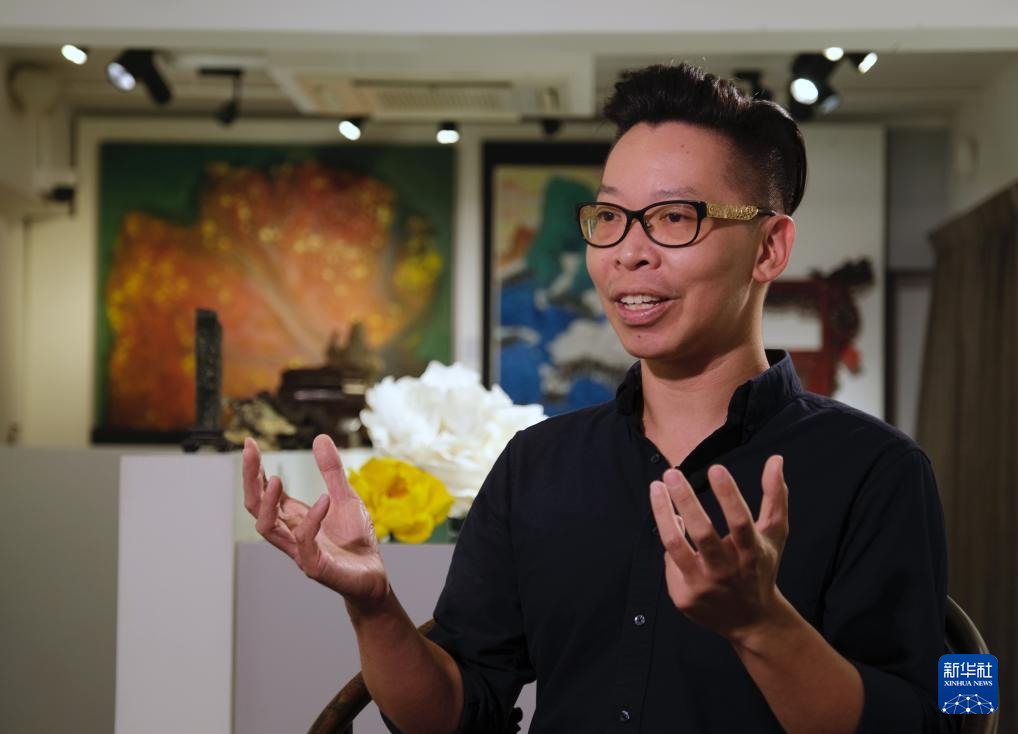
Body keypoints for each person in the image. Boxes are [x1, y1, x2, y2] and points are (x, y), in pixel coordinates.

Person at [244, 63, 952, 733]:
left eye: (674, 217)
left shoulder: (876, 471)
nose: (628, 252)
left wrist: (763, 625)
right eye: (610, 216)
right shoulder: (537, 466)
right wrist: (372, 605)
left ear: (769, 248)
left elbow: (931, 716)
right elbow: (457, 713)